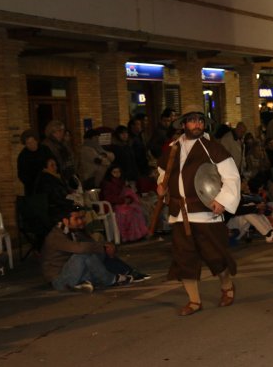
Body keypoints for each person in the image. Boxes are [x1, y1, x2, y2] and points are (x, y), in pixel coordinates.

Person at [157, 111, 241, 316]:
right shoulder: (171, 150)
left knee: (215, 256)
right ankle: (194, 301)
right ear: (183, 124)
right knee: (184, 258)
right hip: (180, 213)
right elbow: (162, 176)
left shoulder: (213, 148)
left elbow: (231, 177)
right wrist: (161, 187)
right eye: (193, 121)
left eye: (201, 121)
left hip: (206, 212)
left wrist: (222, 201)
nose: (197, 124)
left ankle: (227, 285)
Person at [41, 205, 134, 293]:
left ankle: (84, 283)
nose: (80, 221)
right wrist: (103, 246)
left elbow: (92, 244)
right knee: (84, 254)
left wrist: (107, 246)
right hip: (60, 280)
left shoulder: (74, 232)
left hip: (76, 273)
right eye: (76, 219)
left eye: (81, 218)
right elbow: (80, 249)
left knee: (96, 254)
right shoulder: (55, 236)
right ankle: (110, 279)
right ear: (65, 221)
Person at [100, 165, 149, 243]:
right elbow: (108, 198)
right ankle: (128, 236)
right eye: (114, 172)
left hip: (123, 202)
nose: (117, 174)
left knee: (136, 209)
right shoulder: (107, 183)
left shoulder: (122, 181)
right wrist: (122, 200)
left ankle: (138, 234)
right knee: (126, 212)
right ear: (110, 173)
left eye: (118, 172)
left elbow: (127, 192)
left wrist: (129, 199)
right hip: (113, 205)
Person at [17, 129, 52, 195]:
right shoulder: (23, 156)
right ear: (25, 144)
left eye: (32, 141)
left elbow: (53, 162)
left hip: (49, 186)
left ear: (36, 140)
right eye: (28, 143)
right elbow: (21, 175)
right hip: (33, 189)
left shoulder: (45, 149)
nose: (31, 145)